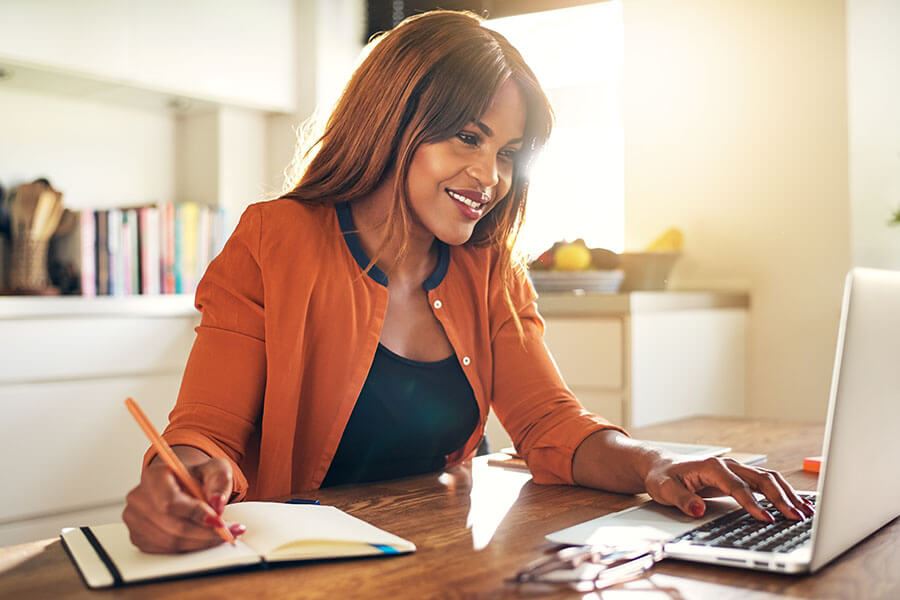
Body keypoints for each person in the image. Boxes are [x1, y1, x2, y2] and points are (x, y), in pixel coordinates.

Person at [123, 10, 813, 554]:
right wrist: (177, 478)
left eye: (508, 153)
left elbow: (549, 424)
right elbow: (205, 431)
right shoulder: (274, 240)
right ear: (393, 121)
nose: (490, 177)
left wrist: (658, 462)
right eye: (467, 137)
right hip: (297, 571)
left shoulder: (490, 267)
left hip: (440, 556)